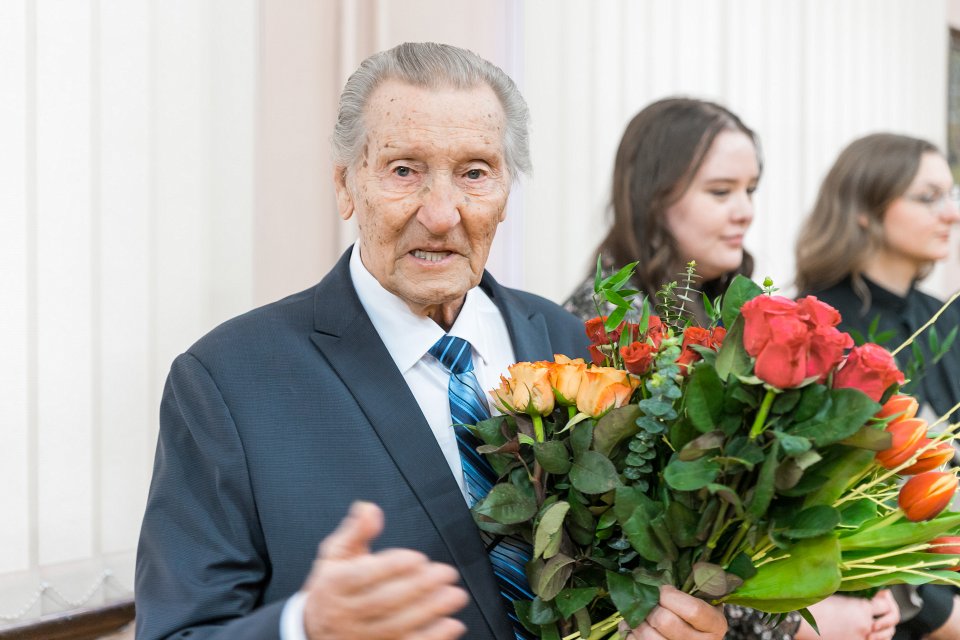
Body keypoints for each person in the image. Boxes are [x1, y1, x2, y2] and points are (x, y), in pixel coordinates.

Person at [134, 43, 729, 640]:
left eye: (474, 173)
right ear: (345, 186)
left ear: (504, 194)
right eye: (404, 170)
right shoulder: (230, 381)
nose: (442, 213)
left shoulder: (576, 345)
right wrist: (304, 628)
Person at [564, 99, 900, 640]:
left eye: (751, 190)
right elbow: (632, 550)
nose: (744, 210)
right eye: (721, 192)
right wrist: (794, 625)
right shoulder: (608, 324)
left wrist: (847, 589)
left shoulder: (727, 310)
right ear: (653, 197)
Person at [795, 132, 960, 640]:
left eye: (951, 195)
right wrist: (942, 615)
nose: (951, 213)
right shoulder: (819, 328)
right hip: (886, 615)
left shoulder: (945, 317)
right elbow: (833, 510)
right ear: (863, 209)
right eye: (927, 197)